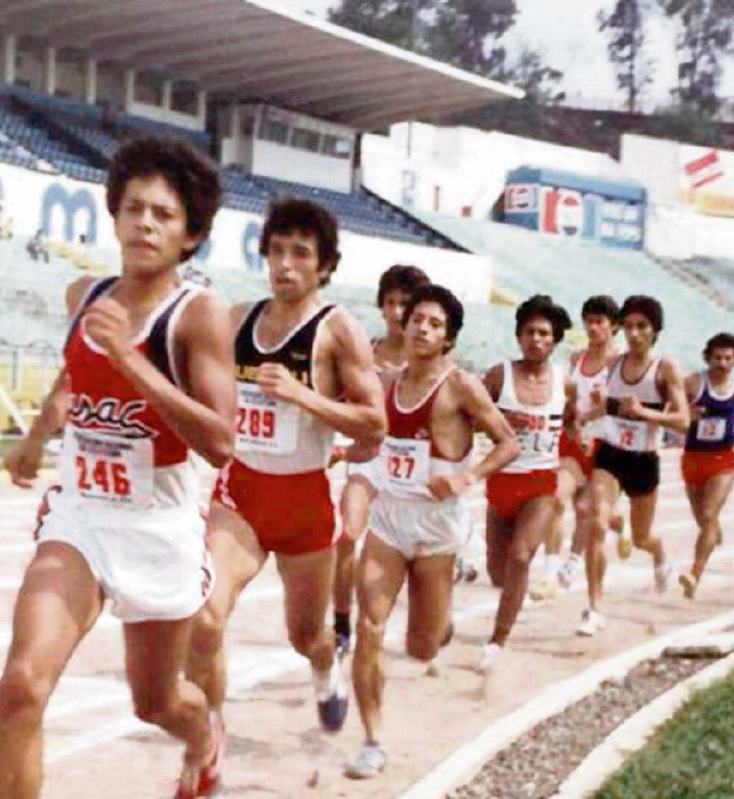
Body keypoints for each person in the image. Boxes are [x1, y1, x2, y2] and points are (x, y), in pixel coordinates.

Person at [0, 135, 234, 799]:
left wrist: (132, 359)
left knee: (154, 702)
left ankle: (204, 736)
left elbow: (220, 440)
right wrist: (37, 436)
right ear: (115, 215)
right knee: (22, 685)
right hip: (83, 517)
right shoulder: (84, 294)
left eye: (163, 213)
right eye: (133, 208)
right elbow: (77, 373)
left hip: (160, 527)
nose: (145, 222)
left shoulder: (198, 316)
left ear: (189, 235)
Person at [187, 199, 386, 751]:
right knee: (204, 616)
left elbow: (376, 423)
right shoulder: (238, 319)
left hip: (303, 508)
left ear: (325, 265)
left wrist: (304, 395)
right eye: (276, 251)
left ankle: (327, 667)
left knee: (305, 637)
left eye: (301, 254)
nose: (286, 265)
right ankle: (209, 741)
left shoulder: (336, 330)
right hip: (242, 496)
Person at [345, 284, 518, 779]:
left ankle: (442, 621)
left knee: (422, 646)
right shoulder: (385, 380)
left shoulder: (461, 386)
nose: (421, 327)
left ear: (449, 338)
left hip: (437, 525)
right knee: (369, 626)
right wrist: (344, 453)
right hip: (390, 517)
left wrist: (467, 477)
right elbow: (371, 441)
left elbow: (507, 443)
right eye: (417, 318)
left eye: (434, 323)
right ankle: (373, 740)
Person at [333, 264, 430, 656]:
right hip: (368, 459)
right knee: (346, 534)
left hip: (411, 469)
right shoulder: (364, 352)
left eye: (404, 303)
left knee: (417, 556)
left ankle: (437, 601)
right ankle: (341, 623)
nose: (395, 312)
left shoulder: (427, 358)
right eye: (389, 303)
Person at [577, 295, 689, 637]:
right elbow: (610, 404)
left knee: (641, 537)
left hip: (643, 458)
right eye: (629, 326)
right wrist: (583, 418)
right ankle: (595, 607)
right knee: (595, 522)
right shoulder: (613, 362)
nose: (635, 334)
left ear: (655, 331)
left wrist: (645, 413)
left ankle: (659, 554)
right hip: (611, 453)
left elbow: (683, 420)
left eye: (642, 327)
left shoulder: (665, 367)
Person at [480, 296, 573, 670]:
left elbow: (576, 418)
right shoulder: (498, 376)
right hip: (502, 483)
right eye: (530, 332)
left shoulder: (564, 381)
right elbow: (472, 415)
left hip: (540, 484)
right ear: (519, 336)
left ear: (554, 340)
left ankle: (497, 640)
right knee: (498, 572)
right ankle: (510, 597)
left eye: (544, 334)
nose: (536, 339)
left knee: (521, 556)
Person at [534, 296, 627, 600]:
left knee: (586, 510)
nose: (593, 327)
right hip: (574, 443)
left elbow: (622, 407)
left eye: (600, 322)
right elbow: (571, 401)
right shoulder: (576, 359)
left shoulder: (621, 364)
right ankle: (549, 571)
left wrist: (593, 415)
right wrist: (572, 421)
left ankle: (573, 562)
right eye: (589, 321)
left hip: (608, 446)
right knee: (556, 499)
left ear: (615, 326)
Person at [677, 333, 734, 599]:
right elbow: (672, 411)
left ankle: (694, 573)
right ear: (708, 357)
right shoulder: (693, 382)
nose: (722, 363)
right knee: (703, 519)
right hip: (694, 458)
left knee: (708, 513)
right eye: (717, 357)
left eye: (728, 358)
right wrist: (688, 413)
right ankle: (711, 535)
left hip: (723, 460)